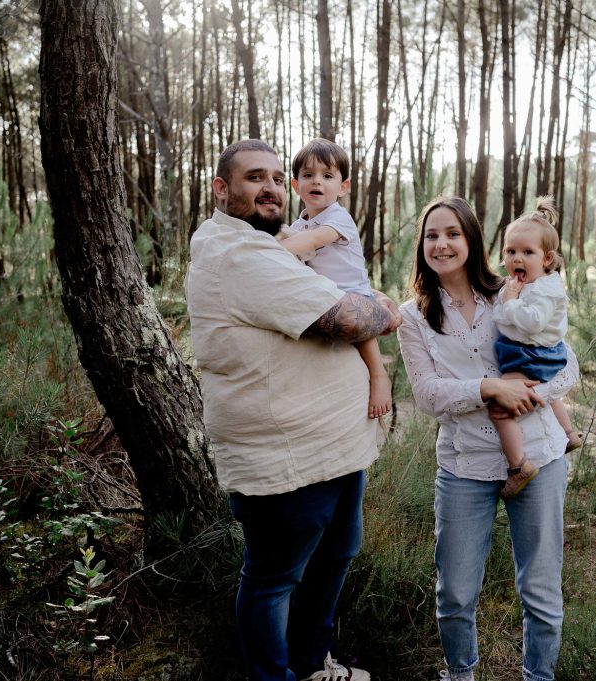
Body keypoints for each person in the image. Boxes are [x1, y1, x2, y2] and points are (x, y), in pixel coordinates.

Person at [185, 139, 401, 681]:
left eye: (278, 179)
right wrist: (386, 309)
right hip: (287, 457)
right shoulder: (238, 252)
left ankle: (311, 666)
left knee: (333, 558)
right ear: (220, 189)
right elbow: (350, 319)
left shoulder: (268, 243)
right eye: (256, 177)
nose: (273, 188)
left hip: (335, 445)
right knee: (274, 577)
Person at [396, 196, 578, 681]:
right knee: (454, 592)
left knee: (540, 589)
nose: (442, 244)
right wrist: (489, 388)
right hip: (464, 465)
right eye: (432, 235)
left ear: (472, 240)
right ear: (422, 246)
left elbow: (568, 363)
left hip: (539, 456)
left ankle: (538, 677)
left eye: (453, 233)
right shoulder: (413, 317)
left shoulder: (513, 290)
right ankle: (461, 674)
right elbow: (429, 395)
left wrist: (536, 394)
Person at [276, 138, 391, 418]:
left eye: (327, 176)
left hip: (352, 293)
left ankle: (379, 376)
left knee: (361, 333)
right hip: (324, 296)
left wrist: (269, 251)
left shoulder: (338, 218)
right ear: (295, 185)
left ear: (342, 187)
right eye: (308, 175)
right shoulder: (298, 225)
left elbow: (314, 240)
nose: (317, 181)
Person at [492, 197, 582, 500]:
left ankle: (519, 465)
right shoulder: (534, 283)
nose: (517, 259)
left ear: (547, 258)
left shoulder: (543, 289)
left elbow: (531, 322)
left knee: (502, 408)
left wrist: (510, 302)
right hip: (537, 351)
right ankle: (569, 433)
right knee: (545, 390)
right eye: (511, 251)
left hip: (533, 353)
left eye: (527, 252)